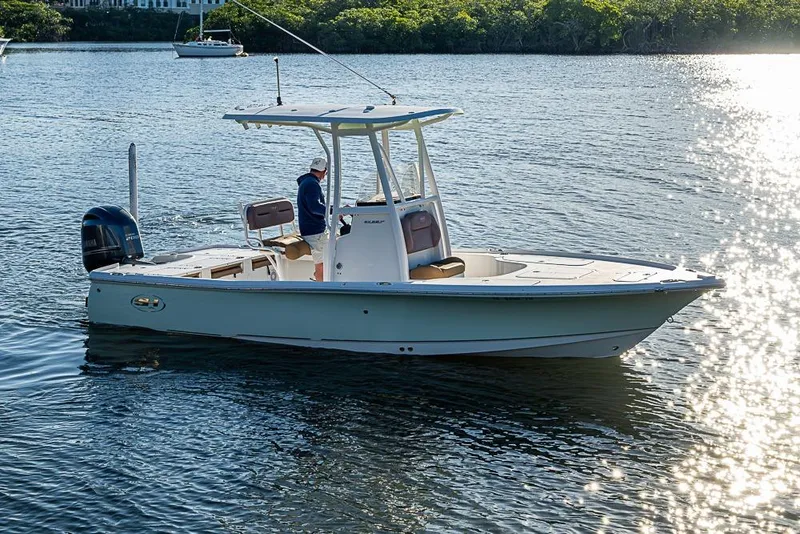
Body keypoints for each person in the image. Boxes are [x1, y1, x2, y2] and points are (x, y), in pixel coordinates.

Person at [297, 157, 328, 281]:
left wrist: (332, 210)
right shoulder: (312, 185)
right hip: (314, 232)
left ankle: (319, 280)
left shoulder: (307, 182)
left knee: (323, 261)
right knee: (322, 264)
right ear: (324, 171)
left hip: (309, 229)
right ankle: (322, 289)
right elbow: (315, 208)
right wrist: (332, 211)